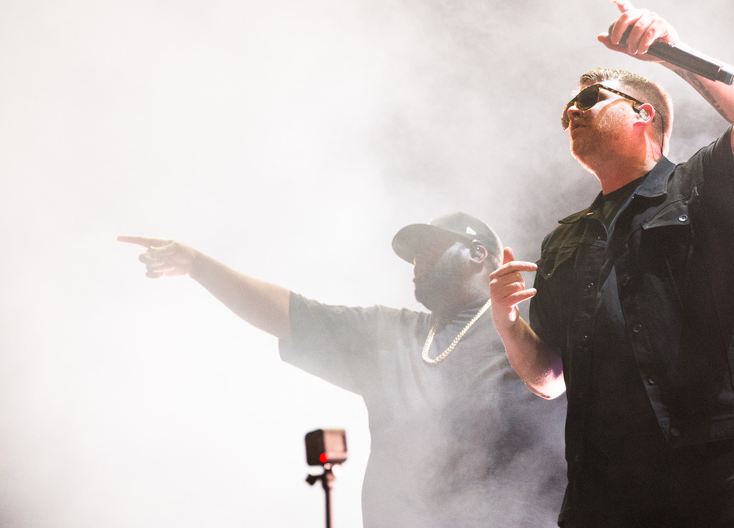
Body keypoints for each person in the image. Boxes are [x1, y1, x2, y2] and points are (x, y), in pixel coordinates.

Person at [490, 0, 734, 527]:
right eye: (566, 112)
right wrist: (507, 324)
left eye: (589, 99)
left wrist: (672, 52)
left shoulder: (704, 182)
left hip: (733, 466)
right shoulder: (563, 242)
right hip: (612, 496)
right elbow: (550, 379)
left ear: (644, 114)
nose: (572, 112)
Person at [119, 212, 566, 528]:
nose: (416, 263)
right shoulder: (390, 334)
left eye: (429, 249)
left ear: (478, 253)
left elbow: (558, 389)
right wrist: (199, 265)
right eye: (413, 256)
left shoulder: (530, 329)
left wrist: (511, 323)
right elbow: (291, 314)